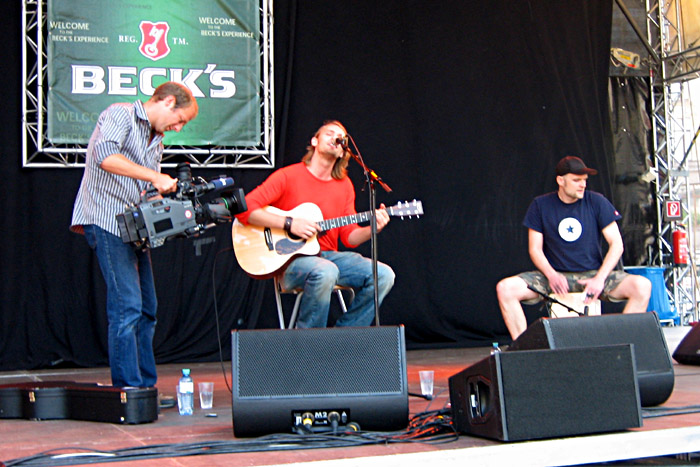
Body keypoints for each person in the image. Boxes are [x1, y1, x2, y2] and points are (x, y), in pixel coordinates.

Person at [70, 82, 199, 387]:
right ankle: (127, 390)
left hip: (134, 228)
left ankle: (145, 387)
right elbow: (105, 156)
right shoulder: (120, 114)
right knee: (127, 307)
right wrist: (156, 176)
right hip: (106, 220)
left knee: (147, 309)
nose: (178, 128)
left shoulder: (157, 140)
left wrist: (172, 208)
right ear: (168, 101)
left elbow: (144, 190)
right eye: (180, 119)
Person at [236, 120, 395, 328]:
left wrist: (373, 229)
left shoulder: (344, 185)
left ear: (343, 152)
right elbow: (243, 208)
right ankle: (310, 346)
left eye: (341, 138)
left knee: (383, 274)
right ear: (315, 141)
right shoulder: (288, 176)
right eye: (329, 133)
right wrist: (289, 223)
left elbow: (349, 236)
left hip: (328, 257)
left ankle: (343, 338)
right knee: (325, 271)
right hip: (290, 261)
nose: (335, 139)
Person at [496, 156, 651, 340]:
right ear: (560, 181)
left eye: (584, 180)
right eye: (576, 180)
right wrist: (552, 275)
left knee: (642, 286)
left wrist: (599, 279)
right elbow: (534, 249)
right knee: (505, 288)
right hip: (554, 277)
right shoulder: (540, 205)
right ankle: (523, 350)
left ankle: (623, 346)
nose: (582, 185)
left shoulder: (597, 201)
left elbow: (617, 245)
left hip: (592, 275)